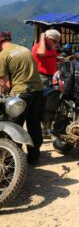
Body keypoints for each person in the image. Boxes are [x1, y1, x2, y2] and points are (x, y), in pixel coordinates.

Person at [0, 31, 44, 165]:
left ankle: (13, 161)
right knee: (34, 125)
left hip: (21, 93)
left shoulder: (2, 55)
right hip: (38, 91)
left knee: (14, 126)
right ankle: (34, 158)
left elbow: (5, 83)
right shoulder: (24, 49)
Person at [32, 29, 61, 138]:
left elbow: (52, 58)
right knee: (43, 103)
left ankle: (47, 127)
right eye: (55, 41)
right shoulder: (39, 47)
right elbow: (42, 53)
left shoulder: (51, 48)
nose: (56, 44)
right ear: (47, 39)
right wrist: (42, 37)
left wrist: (58, 60)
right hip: (41, 77)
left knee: (51, 102)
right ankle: (42, 128)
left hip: (51, 77)